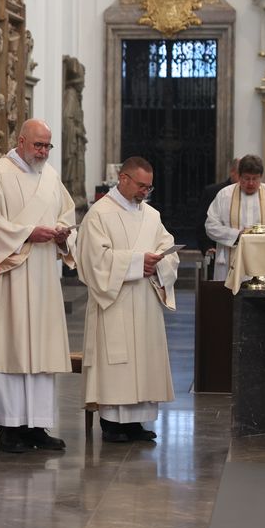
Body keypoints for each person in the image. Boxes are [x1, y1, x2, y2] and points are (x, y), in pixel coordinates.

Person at [0, 119, 76, 453]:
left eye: (47, 146)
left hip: (42, 277)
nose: (42, 152)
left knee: (39, 353)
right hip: (11, 277)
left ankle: (36, 426)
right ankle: (9, 428)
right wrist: (29, 232)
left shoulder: (51, 176)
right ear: (21, 140)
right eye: (37, 145)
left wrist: (61, 231)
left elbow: (68, 211)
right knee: (9, 350)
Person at [78, 157, 178, 443]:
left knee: (143, 360)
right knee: (117, 362)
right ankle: (112, 424)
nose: (144, 192)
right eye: (140, 186)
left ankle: (136, 423)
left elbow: (168, 248)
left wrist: (158, 263)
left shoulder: (151, 215)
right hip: (115, 301)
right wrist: (136, 263)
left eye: (149, 187)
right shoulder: (99, 214)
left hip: (145, 301)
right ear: (123, 179)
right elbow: (93, 260)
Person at [204, 154, 265, 281]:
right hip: (231, 261)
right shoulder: (225, 195)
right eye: (246, 178)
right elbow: (210, 226)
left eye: (255, 179)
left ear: (261, 177)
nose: (251, 183)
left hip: (264, 258)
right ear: (239, 176)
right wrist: (237, 235)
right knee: (230, 299)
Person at [195, 157, 239, 253]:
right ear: (232, 172)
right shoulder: (213, 192)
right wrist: (206, 247)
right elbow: (202, 223)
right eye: (242, 174)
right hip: (218, 250)